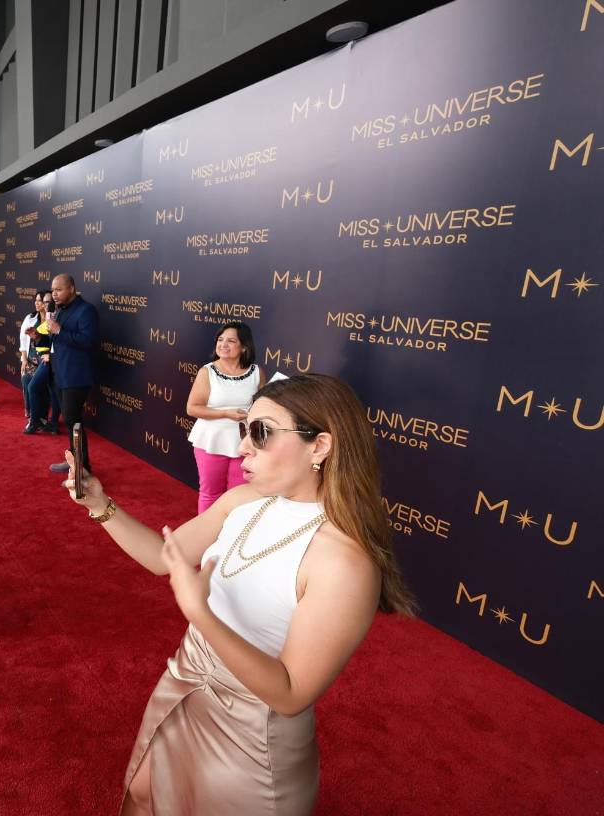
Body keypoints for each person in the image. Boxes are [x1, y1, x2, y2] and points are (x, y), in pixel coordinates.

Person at [61, 373, 415, 815]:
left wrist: (200, 614)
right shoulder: (246, 499)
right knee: (143, 793)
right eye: (245, 428)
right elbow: (163, 557)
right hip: (185, 679)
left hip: (253, 733)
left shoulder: (346, 565)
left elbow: (290, 694)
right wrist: (100, 504)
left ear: (320, 446)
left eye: (262, 434)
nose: (243, 446)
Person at [186, 321, 267, 513]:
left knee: (239, 494)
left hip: (244, 442)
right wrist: (225, 413)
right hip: (210, 441)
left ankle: (231, 537)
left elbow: (263, 405)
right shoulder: (207, 372)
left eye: (231, 341)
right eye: (220, 339)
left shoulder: (256, 373)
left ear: (244, 347)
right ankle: (205, 538)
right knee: (210, 494)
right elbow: (192, 408)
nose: (223, 344)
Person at [46, 273, 99, 473]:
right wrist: (39, 338)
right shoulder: (59, 310)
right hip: (60, 373)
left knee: (72, 419)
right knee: (69, 420)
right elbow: (57, 341)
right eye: (53, 290)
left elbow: (88, 341)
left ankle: (83, 466)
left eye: (58, 290)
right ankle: (73, 461)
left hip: (77, 375)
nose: (54, 294)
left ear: (72, 289)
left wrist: (59, 331)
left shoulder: (86, 310)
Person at [21, 290, 61, 433]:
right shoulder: (46, 318)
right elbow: (47, 341)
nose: (45, 305)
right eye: (44, 302)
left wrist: (50, 355)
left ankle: (36, 421)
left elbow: (59, 339)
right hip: (46, 360)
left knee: (35, 387)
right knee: (51, 390)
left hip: (54, 361)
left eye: (48, 302)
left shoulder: (60, 316)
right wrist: (36, 336)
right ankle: (47, 423)